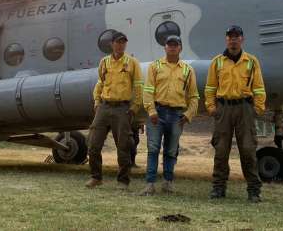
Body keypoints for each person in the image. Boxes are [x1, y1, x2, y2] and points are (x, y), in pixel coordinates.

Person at [204, 25, 266, 202]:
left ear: (242, 39)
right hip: (223, 109)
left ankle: (254, 190)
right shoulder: (217, 62)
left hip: (245, 108)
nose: (233, 39)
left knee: (248, 149)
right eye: (230, 36)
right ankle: (218, 188)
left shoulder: (251, 61)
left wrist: (257, 108)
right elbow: (210, 88)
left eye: (236, 36)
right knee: (221, 150)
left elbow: (259, 88)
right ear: (226, 39)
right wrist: (212, 108)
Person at [139, 35, 199, 196]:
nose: (172, 47)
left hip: (177, 115)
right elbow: (148, 90)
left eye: (175, 45)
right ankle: (150, 185)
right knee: (153, 149)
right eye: (169, 44)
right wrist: (151, 111)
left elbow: (194, 96)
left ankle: (167, 183)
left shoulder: (188, 70)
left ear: (180, 48)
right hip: (157, 114)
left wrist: (188, 115)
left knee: (171, 151)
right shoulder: (155, 66)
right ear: (165, 47)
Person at [85, 31, 144, 190]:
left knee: (123, 146)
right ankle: (96, 177)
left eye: (123, 42)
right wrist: (97, 101)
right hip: (104, 107)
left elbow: (138, 86)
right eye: (118, 42)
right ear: (112, 44)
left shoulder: (132, 63)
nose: (121, 45)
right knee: (93, 144)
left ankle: (123, 181)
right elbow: (100, 83)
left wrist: (134, 107)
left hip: (122, 109)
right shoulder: (104, 62)